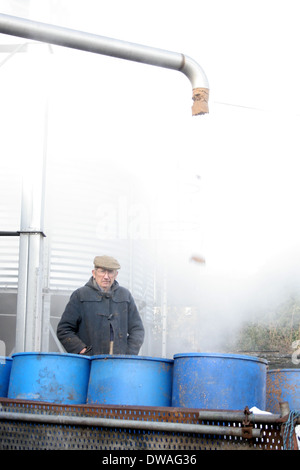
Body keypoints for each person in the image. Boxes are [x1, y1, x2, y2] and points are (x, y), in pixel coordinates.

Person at [56, 255, 145, 356]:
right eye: (102, 271)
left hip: (120, 363)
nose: (106, 277)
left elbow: (137, 329)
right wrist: (83, 350)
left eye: (110, 272)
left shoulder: (125, 296)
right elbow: (64, 329)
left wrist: (128, 354)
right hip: (90, 363)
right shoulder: (80, 295)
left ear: (116, 274)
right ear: (94, 273)